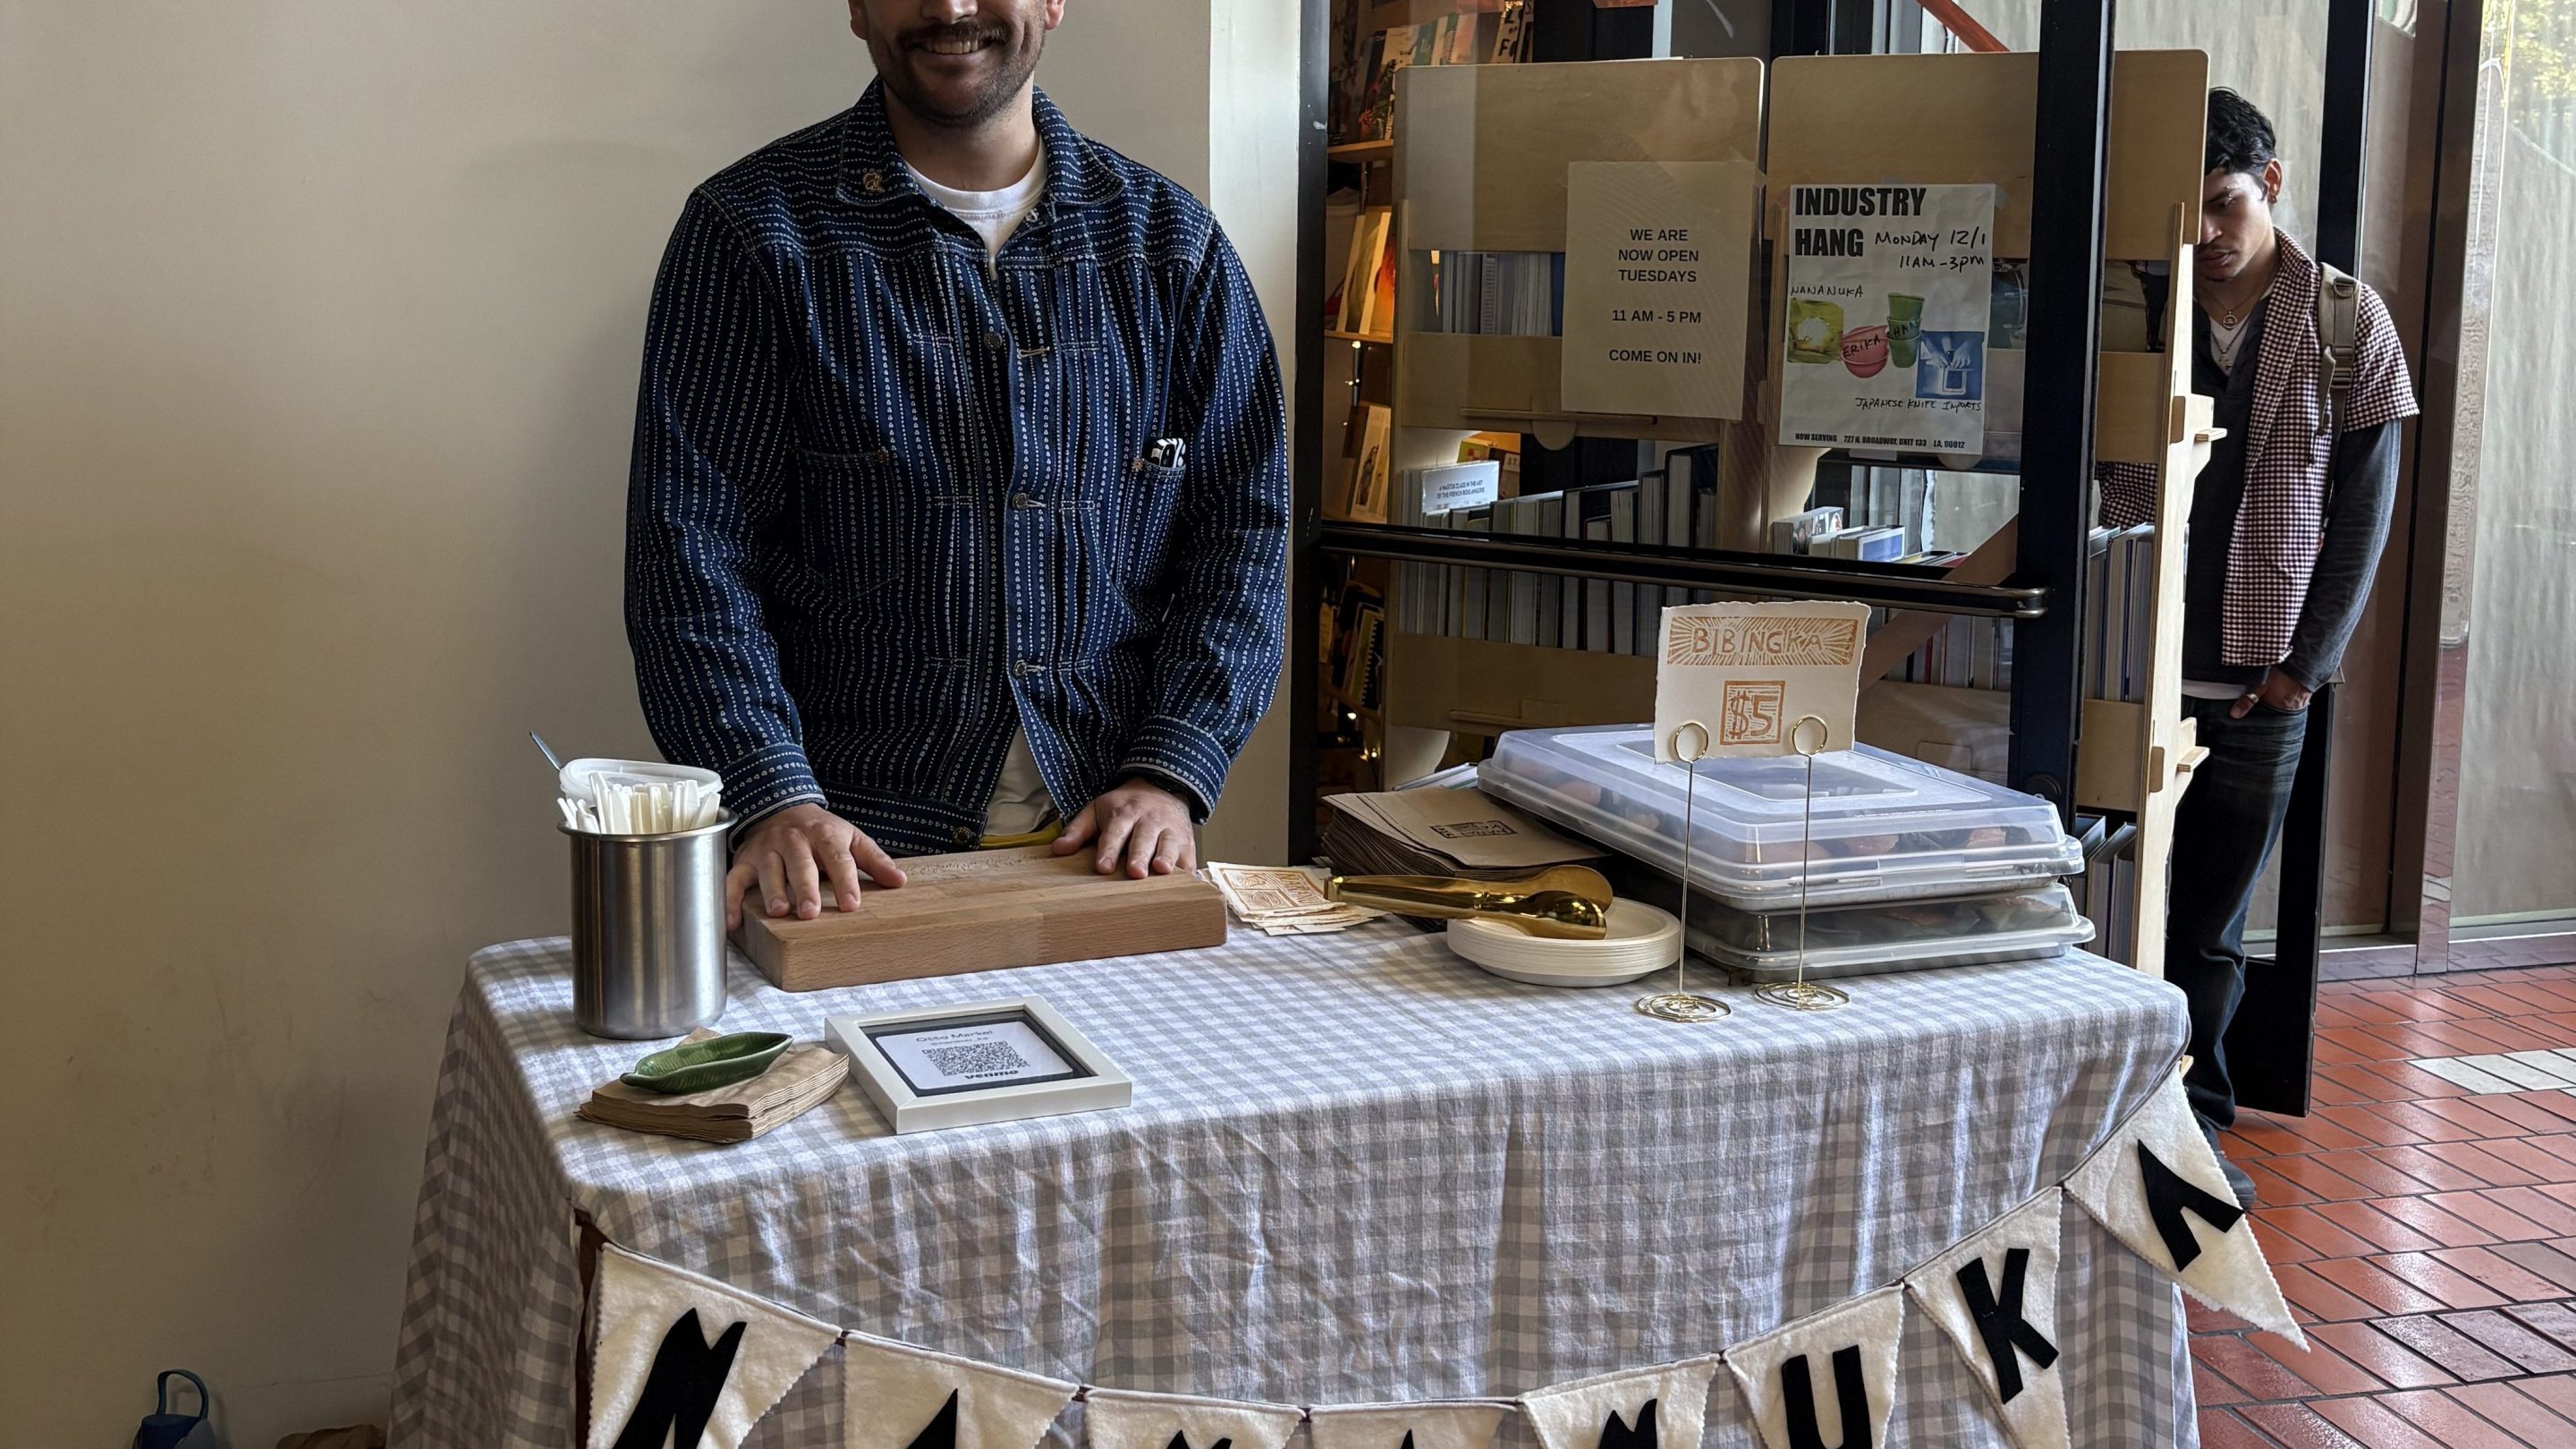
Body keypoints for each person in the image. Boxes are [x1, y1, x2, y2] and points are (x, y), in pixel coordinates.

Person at [624, 0, 1287, 928]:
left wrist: (1174, 768)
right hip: (838, 858)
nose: (951, 8)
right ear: (858, 8)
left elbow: (1245, 533)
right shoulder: (753, 235)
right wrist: (770, 794)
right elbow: (687, 549)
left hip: (1110, 849)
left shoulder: (1171, 247)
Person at [2100, 89, 2418, 1206]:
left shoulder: (2347, 322)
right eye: (2188, 209)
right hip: (2130, 659)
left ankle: (2198, 1125)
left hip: (2258, 677)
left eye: (2225, 204)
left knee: (2211, 923)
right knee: (2112, 899)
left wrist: (2301, 673)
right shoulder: (2145, 305)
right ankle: (2111, 1121)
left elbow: (2365, 517)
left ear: (2270, 186)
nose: (2205, 232)